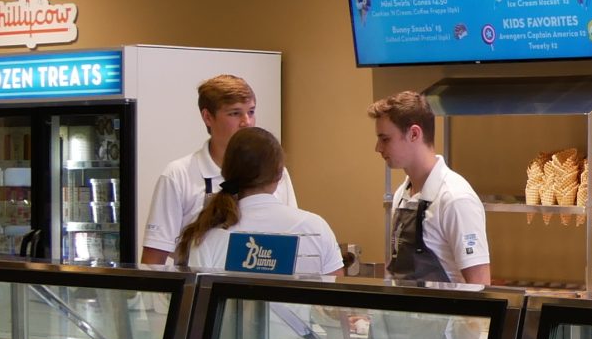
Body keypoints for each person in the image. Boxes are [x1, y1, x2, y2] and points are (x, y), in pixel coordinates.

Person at [143, 74, 296, 266]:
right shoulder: (178, 174)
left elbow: (293, 238)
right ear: (207, 117)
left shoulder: (275, 173)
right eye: (235, 113)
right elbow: (153, 259)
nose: (246, 122)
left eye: (251, 111)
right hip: (198, 290)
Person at [172, 127, 343, 275]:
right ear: (279, 173)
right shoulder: (316, 228)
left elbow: (201, 305)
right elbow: (336, 302)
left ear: (226, 172)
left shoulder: (205, 237)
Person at [371, 89, 490, 284]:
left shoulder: (455, 199)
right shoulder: (402, 194)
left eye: (385, 139)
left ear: (414, 134)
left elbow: (480, 286)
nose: (378, 148)